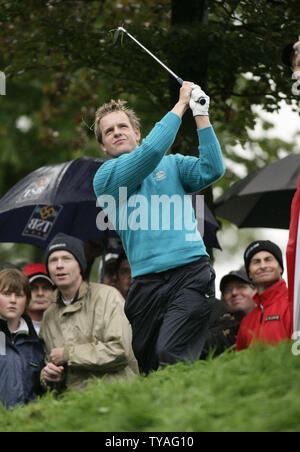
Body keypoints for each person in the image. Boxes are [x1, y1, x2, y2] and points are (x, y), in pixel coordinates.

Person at [93, 81, 225, 373]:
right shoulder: (105, 178)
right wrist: (180, 105)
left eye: (122, 126)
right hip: (146, 285)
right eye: (109, 131)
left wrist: (200, 114)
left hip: (190, 272)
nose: (117, 132)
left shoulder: (173, 164)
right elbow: (148, 155)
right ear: (102, 145)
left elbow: (212, 169)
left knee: (171, 351)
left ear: (137, 133)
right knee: (150, 363)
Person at [40, 233, 138, 392]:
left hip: (117, 398)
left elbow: (120, 350)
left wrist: (68, 354)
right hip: (75, 406)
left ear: (80, 264)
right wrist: (49, 377)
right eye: (53, 260)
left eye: (66, 259)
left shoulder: (108, 297)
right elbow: (50, 362)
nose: (59, 265)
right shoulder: (49, 315)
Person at [236, 241, 293, 351]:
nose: (263, 266)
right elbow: (240, 363)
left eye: (268, 260)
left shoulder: (293, 305)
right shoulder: (246, 321)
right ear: (249, 274)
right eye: (256, 262)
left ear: (280, 268)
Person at [0, 269, 45, 409]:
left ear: (26, 301)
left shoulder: (36, 343)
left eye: (19, 295)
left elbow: (41, 392)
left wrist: (51, 380)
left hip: (26, 423)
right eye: (6, 294)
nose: (13, 300)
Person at [23, 263, 55, 334]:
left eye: (45, 288)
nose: (40, 293)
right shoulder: (11, 327)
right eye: (33, 288)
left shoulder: (66, 326)